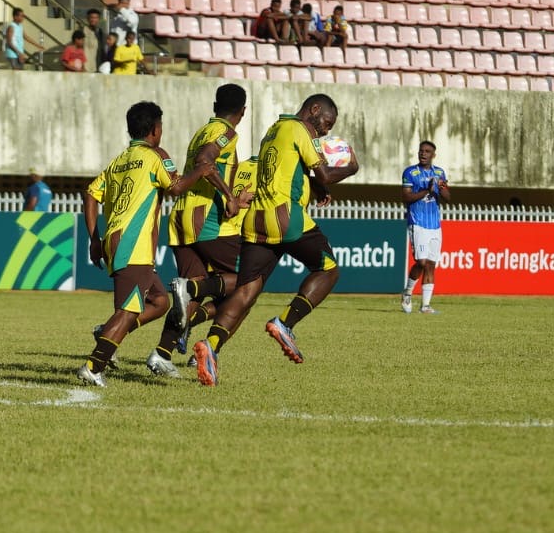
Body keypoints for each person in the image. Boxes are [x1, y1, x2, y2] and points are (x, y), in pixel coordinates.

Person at [192, 94, 359, 386]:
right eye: (326, 124)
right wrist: (351, 167)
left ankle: (211, 346)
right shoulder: (300, 129)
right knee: (329, 269)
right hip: (286, 217)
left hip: (256, 219)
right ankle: (285, 323)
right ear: (314, 110)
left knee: (246, 292)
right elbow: (325, 173)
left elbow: (293, 169)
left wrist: (316, 187)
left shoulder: (274, 130)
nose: (325, 131)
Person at [76, 101, 224, 386]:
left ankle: (106, 332)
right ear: (156, 129)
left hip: (115, 240)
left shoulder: (119, 160)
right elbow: (177, 187)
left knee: (158, 301)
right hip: (133, 243)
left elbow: (90, 194)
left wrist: (95, 239)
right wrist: (201, 172)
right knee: (128, 310)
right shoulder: (155, 156)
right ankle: (94, 367)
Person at [146, 84, 246, 377]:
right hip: (206, 220)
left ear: (215, 104)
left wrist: (233, 197)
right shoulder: (225, 132)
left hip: (181, 218)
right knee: (247, 284)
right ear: (243, 111)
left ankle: (161, 355)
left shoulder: (202, 130)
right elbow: (205, 161)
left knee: (193, 295)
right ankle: (208, 347)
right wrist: (229, 196)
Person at [401, 140, 450, 314]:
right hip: (418, 223)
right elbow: (406, 197)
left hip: (434, 225)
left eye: (427, 151)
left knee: (430, 264)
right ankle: (407, 293)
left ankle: (426, 306)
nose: (423, 154)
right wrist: (427, 191)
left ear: (433, 155)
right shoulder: (410, 172)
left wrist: (441, 188)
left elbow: (448, 197)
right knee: (421, 262)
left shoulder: (439, 172)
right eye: (421, 151)